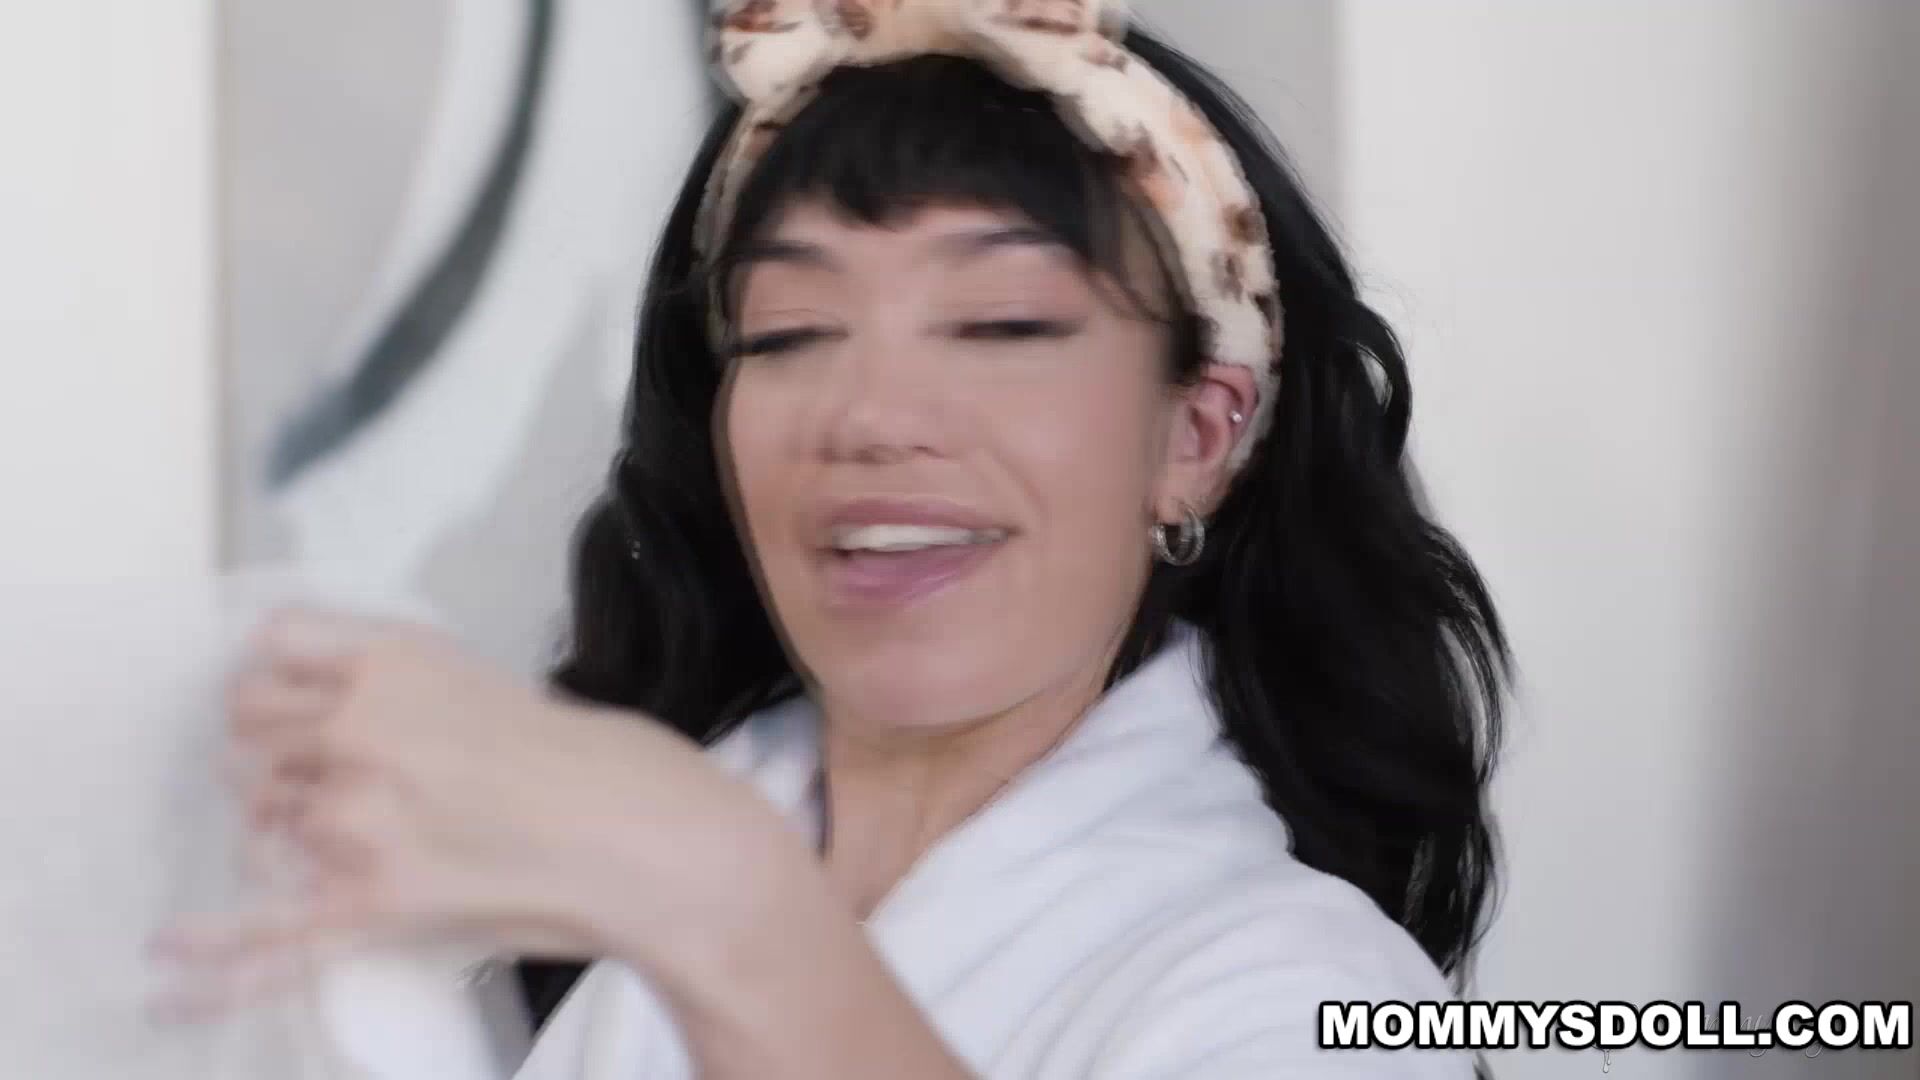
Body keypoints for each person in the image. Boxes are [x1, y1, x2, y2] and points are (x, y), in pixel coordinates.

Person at [154, 1, 1510, 1076]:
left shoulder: (1300, 996)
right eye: (790, 333)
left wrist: (719, 899)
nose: (870, 417)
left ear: (1197, 437)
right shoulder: (602, 944)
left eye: (1003, 325)